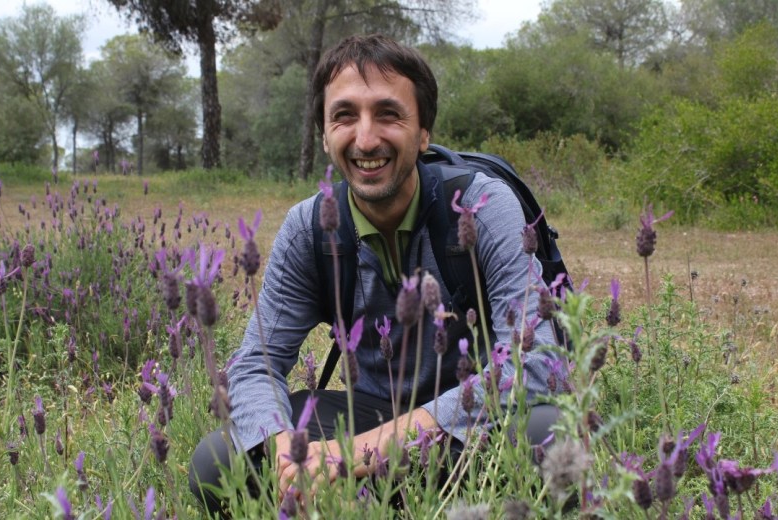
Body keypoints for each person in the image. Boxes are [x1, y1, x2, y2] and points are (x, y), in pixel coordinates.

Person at [188, 33, 561, 515]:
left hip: (471, 426)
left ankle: (386, 495)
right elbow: (255, 364)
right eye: (344, 115)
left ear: (423, 133)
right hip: (368, 414)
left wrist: (361, 452)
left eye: (388, 113)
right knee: (216, 461)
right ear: (324, 134)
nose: (365, 139)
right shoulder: (310, 227)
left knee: (545, 434)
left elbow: (539, 364)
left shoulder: (481, 209)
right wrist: (288, 451)